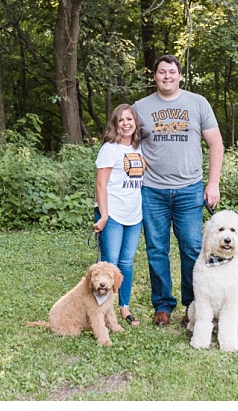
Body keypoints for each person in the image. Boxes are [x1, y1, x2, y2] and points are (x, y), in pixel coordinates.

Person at [134, 54, 224, 327]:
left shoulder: (198, 103)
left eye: (172, 72)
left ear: (180, 75)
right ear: (154, 76)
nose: (167, 77)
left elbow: (216, 145)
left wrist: (213, 183)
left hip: (189, 189)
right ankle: (162, 306)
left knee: (191, 248)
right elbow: (129, 148)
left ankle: (192, 306)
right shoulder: (140, 107)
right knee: (156, 249)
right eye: (162, 72)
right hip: (152, 190)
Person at [94, 104, 146, 326]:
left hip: (134, 215)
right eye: (121, 120)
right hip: (112, 214)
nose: (126, 123)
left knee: (126, 262)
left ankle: (124, 307)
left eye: (129, 119)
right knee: (109, 264)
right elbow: (100, 184)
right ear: (115, 124)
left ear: (135, 122)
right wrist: (103, 215)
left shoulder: (139, 148)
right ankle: (101, 310)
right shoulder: (109, 148)